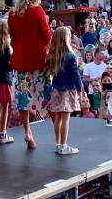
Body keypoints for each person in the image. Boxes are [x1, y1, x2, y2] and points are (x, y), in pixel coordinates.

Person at [7, 0, 52, 150]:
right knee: (46, 96)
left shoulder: (12, 14)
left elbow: (13, 38)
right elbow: (47, 35)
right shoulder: (38, 11)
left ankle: (28, 132)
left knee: (22, 98)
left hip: (20, 64)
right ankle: (58, 133)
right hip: (39, 62)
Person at [46, 25, 82, 156]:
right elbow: (75, 74)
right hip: (68, 89)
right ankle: (63, 145)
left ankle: (58, 144)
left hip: (56, 89)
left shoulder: (52, 55)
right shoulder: (71, 56)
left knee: (58, 117)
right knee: (65, 117)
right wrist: (80, 89)